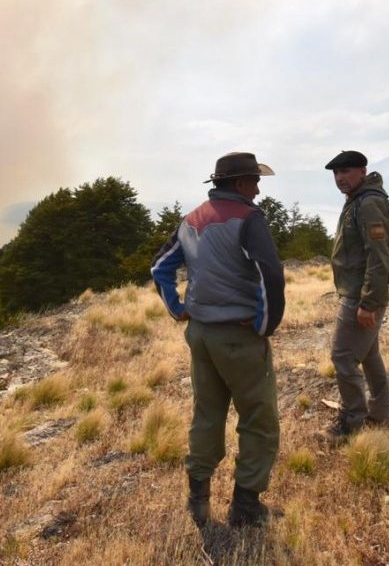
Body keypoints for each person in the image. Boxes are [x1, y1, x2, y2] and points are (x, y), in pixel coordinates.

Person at [151, 151, 285, 529]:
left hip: (200, 336)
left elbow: (159, 267)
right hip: (239, 337)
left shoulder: (190, 219)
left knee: (207, 414)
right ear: (240, 183)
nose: (258, 189)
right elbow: (270, 275)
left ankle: (199, 500)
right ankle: (245, 508)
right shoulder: (249, 218)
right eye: (254, 181)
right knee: (259, 419)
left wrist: (177, 307)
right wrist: (265, 326)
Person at [321, 150, 389, 442]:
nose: (340, 178)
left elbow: (378, 257)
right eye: (336, 174)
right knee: (369, 356)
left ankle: (352, 423)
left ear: (362, 171)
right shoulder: (357, 200)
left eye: (347, 171)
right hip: (358, 294)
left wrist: (369, 303)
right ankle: (380, 417)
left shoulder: (369, 203)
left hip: (361, 297)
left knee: (342, 357)